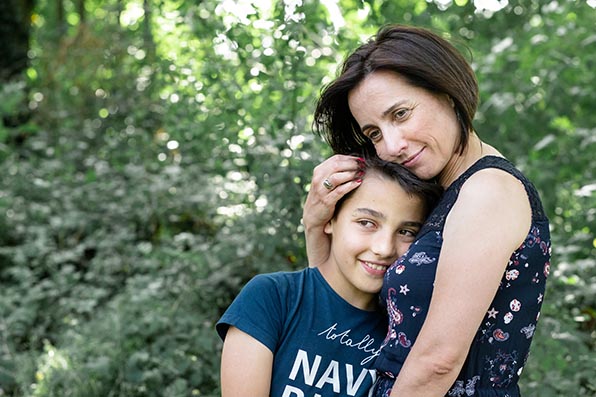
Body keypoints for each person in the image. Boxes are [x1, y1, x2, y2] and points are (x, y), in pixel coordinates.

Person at [303, 24, 551, 397]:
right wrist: (314, 224)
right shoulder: (445, 195)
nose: (392, 145)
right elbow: (344, 309)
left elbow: (438, 362)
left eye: (400, 114)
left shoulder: (487, 192)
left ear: (447, 93)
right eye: (373, 132)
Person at [217, 156, 442, 397]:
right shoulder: (273, 297)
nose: (384, 248)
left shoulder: (406, 328)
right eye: (367, 223)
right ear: (330, 219)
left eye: (406, 232)